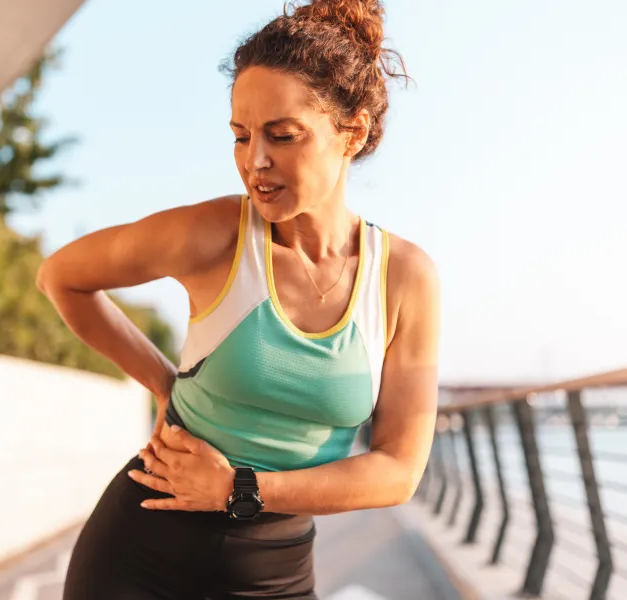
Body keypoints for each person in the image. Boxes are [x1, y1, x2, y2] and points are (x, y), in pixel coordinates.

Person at [36, 1, 440, 597]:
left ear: (350, 132)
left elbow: (398, 471)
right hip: (137, 557)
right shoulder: (217, 237)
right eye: (241, 135)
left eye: (282, 136)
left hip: (274, 573)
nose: (255, 162)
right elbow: (61, 276)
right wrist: (164, 383)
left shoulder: (405, 278)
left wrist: (239, 490)